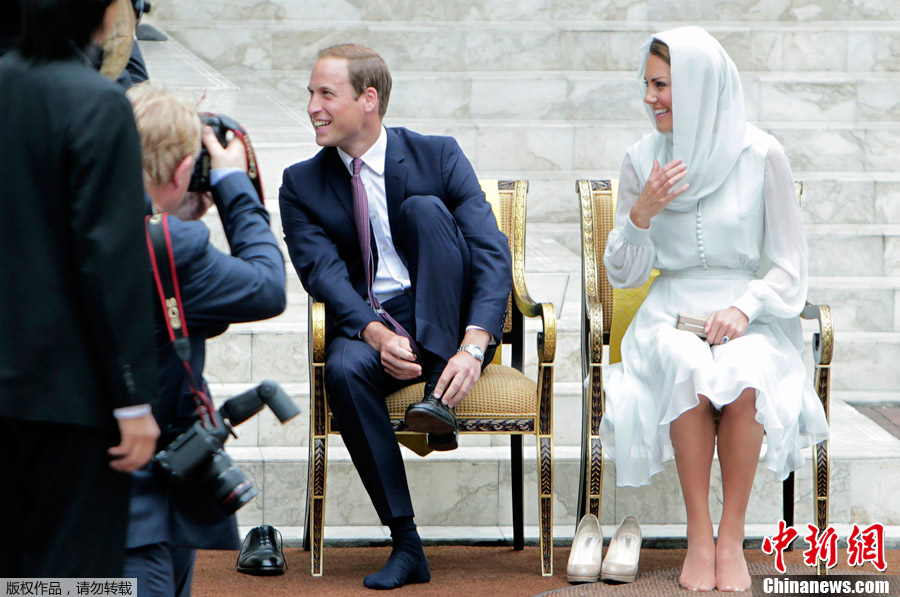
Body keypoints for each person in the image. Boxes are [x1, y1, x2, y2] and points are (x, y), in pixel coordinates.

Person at [600, 26, 829, 592]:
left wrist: (746, 307)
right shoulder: (642, 159)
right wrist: (641, 215)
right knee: (686, 365)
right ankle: (699, 537)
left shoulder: (762, 154)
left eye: (661, 85)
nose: (649, 97)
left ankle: (732, 538)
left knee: (748, 372)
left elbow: (790, 266)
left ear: (700, 85)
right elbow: (623, 274)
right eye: (647, 84)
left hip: (750, 315)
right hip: (669, 313)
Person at [278, 43, 511, 589]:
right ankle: (406, 542)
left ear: (369, 99)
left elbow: (490, 251)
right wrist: (376, 333)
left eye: (326, 94)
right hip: (372, 320)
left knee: (424, 209)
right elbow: (323, 275)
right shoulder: (301, 183)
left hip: (446, 314)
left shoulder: (437, 155)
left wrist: (474, 344)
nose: (312, 107)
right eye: (310, 94)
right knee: (342, 368)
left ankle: (440, 388)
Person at [0, 0, 160, 577]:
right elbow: (109, 262)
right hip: (71, 398)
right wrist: (133, 399)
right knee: (76, 580)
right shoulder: (97, 102)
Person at [124, 81, 286, 596]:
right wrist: (234, 184)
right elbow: (267, 287)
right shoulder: (172, 246)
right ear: (181, 172)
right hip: (136, 504)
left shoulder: (64, 221)